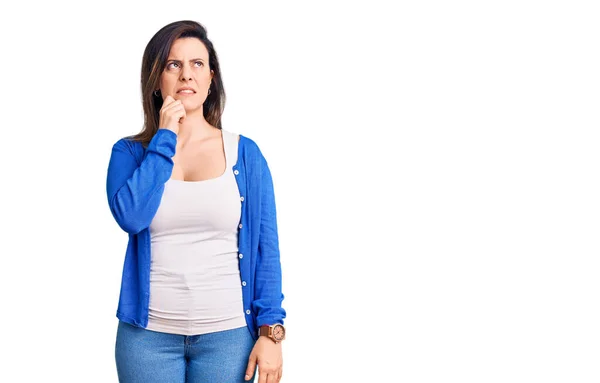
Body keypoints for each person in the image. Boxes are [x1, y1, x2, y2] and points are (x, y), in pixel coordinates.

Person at [105, 20, 286, 383]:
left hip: (230, 337)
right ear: (157, 80)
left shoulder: (245, 154)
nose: (186, 74)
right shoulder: (130, 152)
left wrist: (271, 333)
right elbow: (132, 217)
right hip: (146, 340)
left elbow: (267, 250)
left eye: (197, 64)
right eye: (173, 65)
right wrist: (165, 138)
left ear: (211, 78)